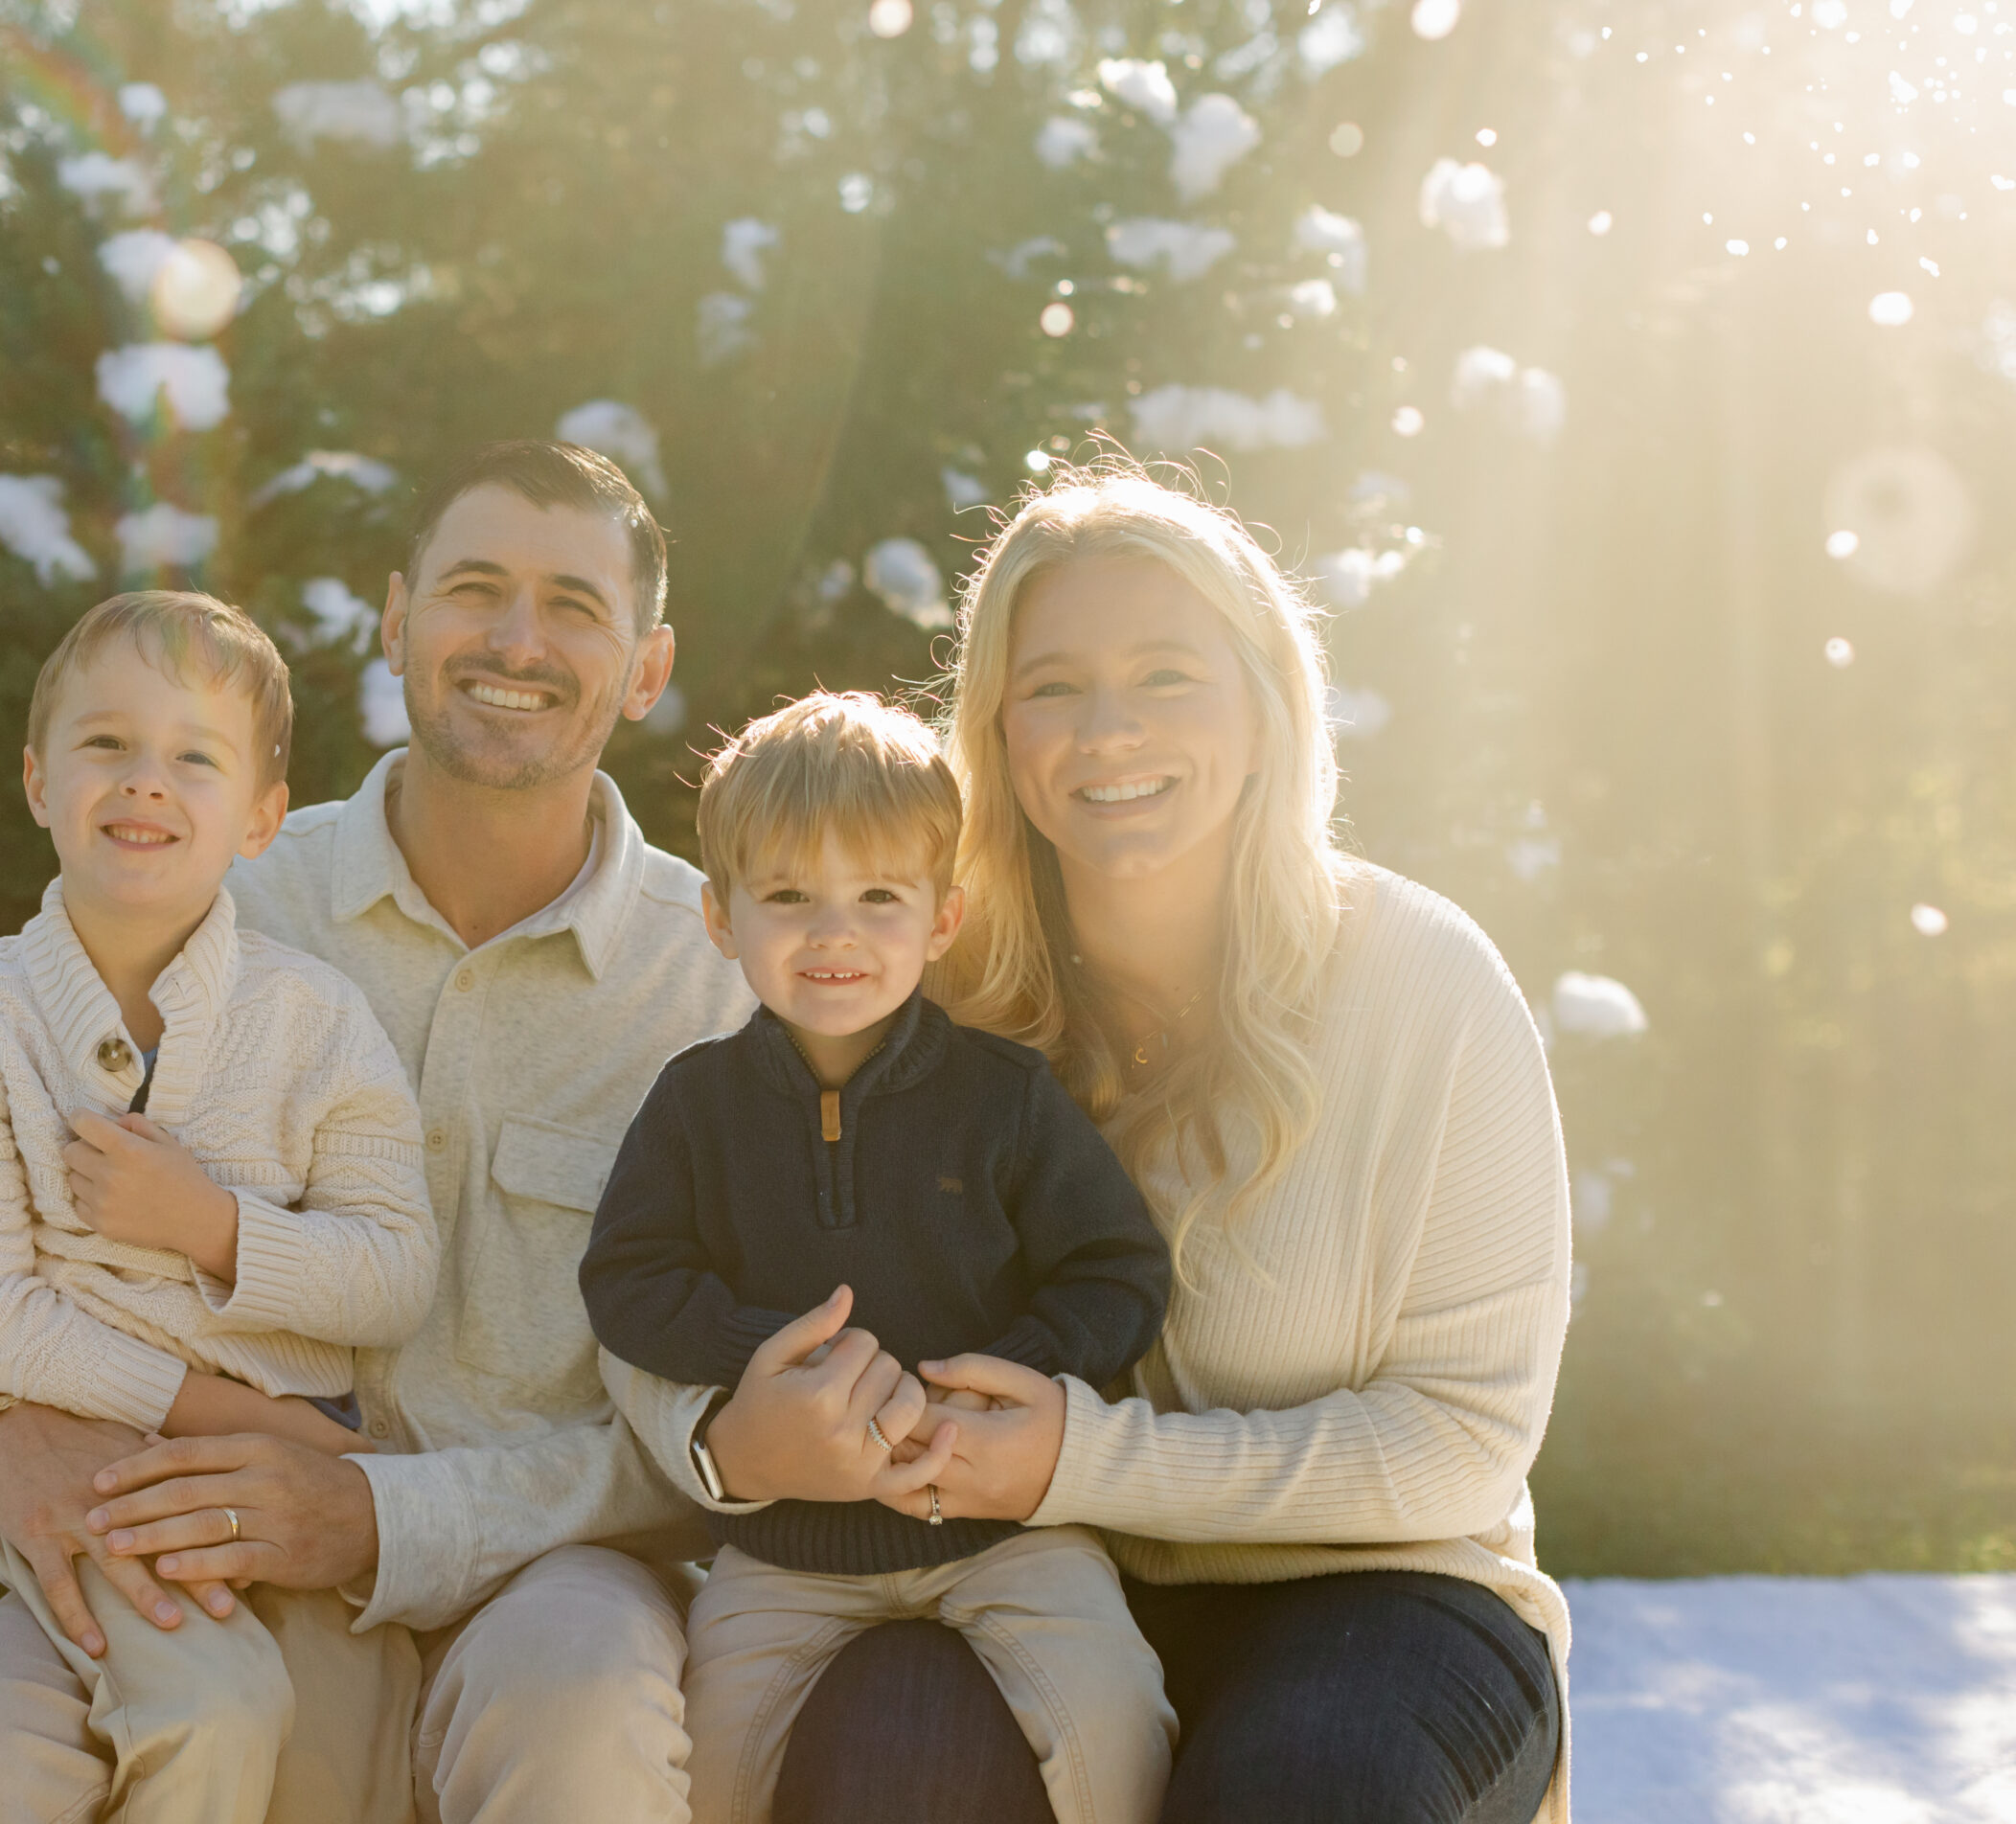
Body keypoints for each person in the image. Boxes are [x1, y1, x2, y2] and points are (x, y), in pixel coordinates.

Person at [0, 441, 847, 1824]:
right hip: (187, 1545)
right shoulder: (210, 877)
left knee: (583, 1714)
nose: (516, 640)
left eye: (574, 608)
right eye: (475, 590)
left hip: (542, 1576)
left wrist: (390, 1520)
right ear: (396, 620)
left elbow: (729, 1424)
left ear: (648, 670)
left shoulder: (721, 989)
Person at [607, 460, 1574, 1824]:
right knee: (895, 1752)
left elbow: (1462, 1443)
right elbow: (683, 1257)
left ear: (1265, 706)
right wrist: (727, 1444)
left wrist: (1083, 1459)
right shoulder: (912, 980)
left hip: (1374, 1595)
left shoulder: (1425, 984)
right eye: (1052, 687)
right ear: (997, 734)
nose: (1107, 731)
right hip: (1010, 1570)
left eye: (1168, 676)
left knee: (1301, 1794)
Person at [0, 590, 441, 1823]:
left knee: (352, 1771)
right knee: (205, 1709)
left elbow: (395, 1266)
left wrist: (214, 1227)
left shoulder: (314, 1019)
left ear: (262, 819)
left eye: (194, 755)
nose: (145, 781)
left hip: (300, 1495)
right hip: (105, 1476)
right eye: (105, 744)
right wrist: (230, 1415)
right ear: (36, 779)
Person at [580, 691, 1176, 1824]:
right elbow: (628, 1278)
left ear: (941, 919)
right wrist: (770, 1357)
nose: (834, 934)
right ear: (720, 917)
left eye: (879, 897)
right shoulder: (695, 1103)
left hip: (1006, 1531)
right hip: (784, 1549)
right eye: (790, 896)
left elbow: (1117, 1268)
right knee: (706, 1773)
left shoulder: (1002, 1098)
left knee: (1114, 1712)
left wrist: (1002, 1373)